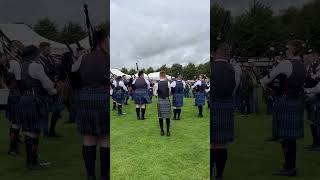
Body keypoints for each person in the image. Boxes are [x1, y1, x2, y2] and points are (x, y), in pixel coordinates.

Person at [260, 40, 306, 176]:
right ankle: (290, 165)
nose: (285, 50)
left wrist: (262, 82)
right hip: (297, 101)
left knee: (286, 137)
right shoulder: (302, 65)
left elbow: (267, 79)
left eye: (287, 48)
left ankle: (289, 168)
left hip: (285, 101)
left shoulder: (286, 63)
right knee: (291, 138)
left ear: (292, 49)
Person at [74, 30, 109, 180]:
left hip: (85, 97)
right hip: (103, 97)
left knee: (89, 137)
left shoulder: (82, 58)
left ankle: (90, 175)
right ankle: (104, 176)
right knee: (105, 137)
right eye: (107, 40)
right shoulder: (109, 58)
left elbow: (73, 74)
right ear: (101, 41)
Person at [19, 45, 58, 170]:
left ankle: (31, 161)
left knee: (30, 131)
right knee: (35, 131)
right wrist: (54, 90)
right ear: (34, 55)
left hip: (25, 99)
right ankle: (32, 163)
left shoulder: (22, 66)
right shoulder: (36, 66)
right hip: (35, 100)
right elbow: (47, 84)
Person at [211, 43, 237, 180]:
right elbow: (235, 88)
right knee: (221, 143)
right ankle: (219, 175)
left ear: (217, 53)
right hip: (226, 106)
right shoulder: (234, 68)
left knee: (210, 142)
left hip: (213, 104)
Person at [38, 42, 64, 137]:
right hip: (44, 88)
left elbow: (54, 71)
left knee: (58, 109)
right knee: (45, 111)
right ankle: (45, 131)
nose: (49, 51)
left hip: (54, 86)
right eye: (47, 49)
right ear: (41, 49)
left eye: (49, 49)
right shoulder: (39, 60)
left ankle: (51, 130)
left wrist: (57, 81)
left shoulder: (50, 58)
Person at [6, 41, 22, 155]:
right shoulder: (13, 62)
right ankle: (12, 148)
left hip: (14, 92)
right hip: (16, 92)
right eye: (16, 48)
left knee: (16, 121)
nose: (18, 50)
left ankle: (15, 142)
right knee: (15, 122)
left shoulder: (14, 61)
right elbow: (19, 79)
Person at [304, 48, 320, 151]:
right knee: (312, 121)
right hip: (311, 97)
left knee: (317, 121)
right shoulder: (310, 67)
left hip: (317, 97)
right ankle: (315, 143)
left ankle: (318, 144)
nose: (312, 57)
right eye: (311, 55)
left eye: (314, 56)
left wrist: (308, 91)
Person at [154, 71, 172, 136]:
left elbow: (155, 94)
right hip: (166, 100)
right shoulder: (168, 83)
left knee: (160, 116)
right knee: (167, 117)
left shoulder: (156, 84)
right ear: (164, 76)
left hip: (160, 100)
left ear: (160, 76)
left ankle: (162, 131)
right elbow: (169, 92)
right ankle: (168, 131)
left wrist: (157, 95)